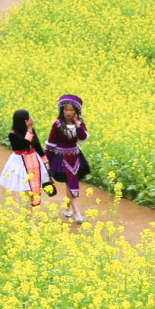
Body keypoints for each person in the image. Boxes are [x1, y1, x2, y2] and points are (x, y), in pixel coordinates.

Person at [46, 93, 89, 222]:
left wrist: (77, 124)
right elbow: (51, 142)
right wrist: (46, 160)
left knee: (70, 183)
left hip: (75, 156)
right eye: (65, 110)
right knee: (70, 183)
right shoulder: (57, 124)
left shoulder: (80, 123)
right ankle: (77, 212)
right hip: (61, 158)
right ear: (62, 110)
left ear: (76, 111)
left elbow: (82, 138)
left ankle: (67, 209)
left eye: (71, 110)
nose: (68, 113)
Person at [0, 109, 47, 209]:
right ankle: (26, 211)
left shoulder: (30, 131)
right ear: (25, 121)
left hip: (33, 159)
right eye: (29, 117)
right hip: (20, 162)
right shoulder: (12, 134)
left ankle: (30, 210)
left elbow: (36, 144)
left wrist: (44, 159)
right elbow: (23, 145)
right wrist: (29, 129)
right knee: (25, 188)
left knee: (33, 187)